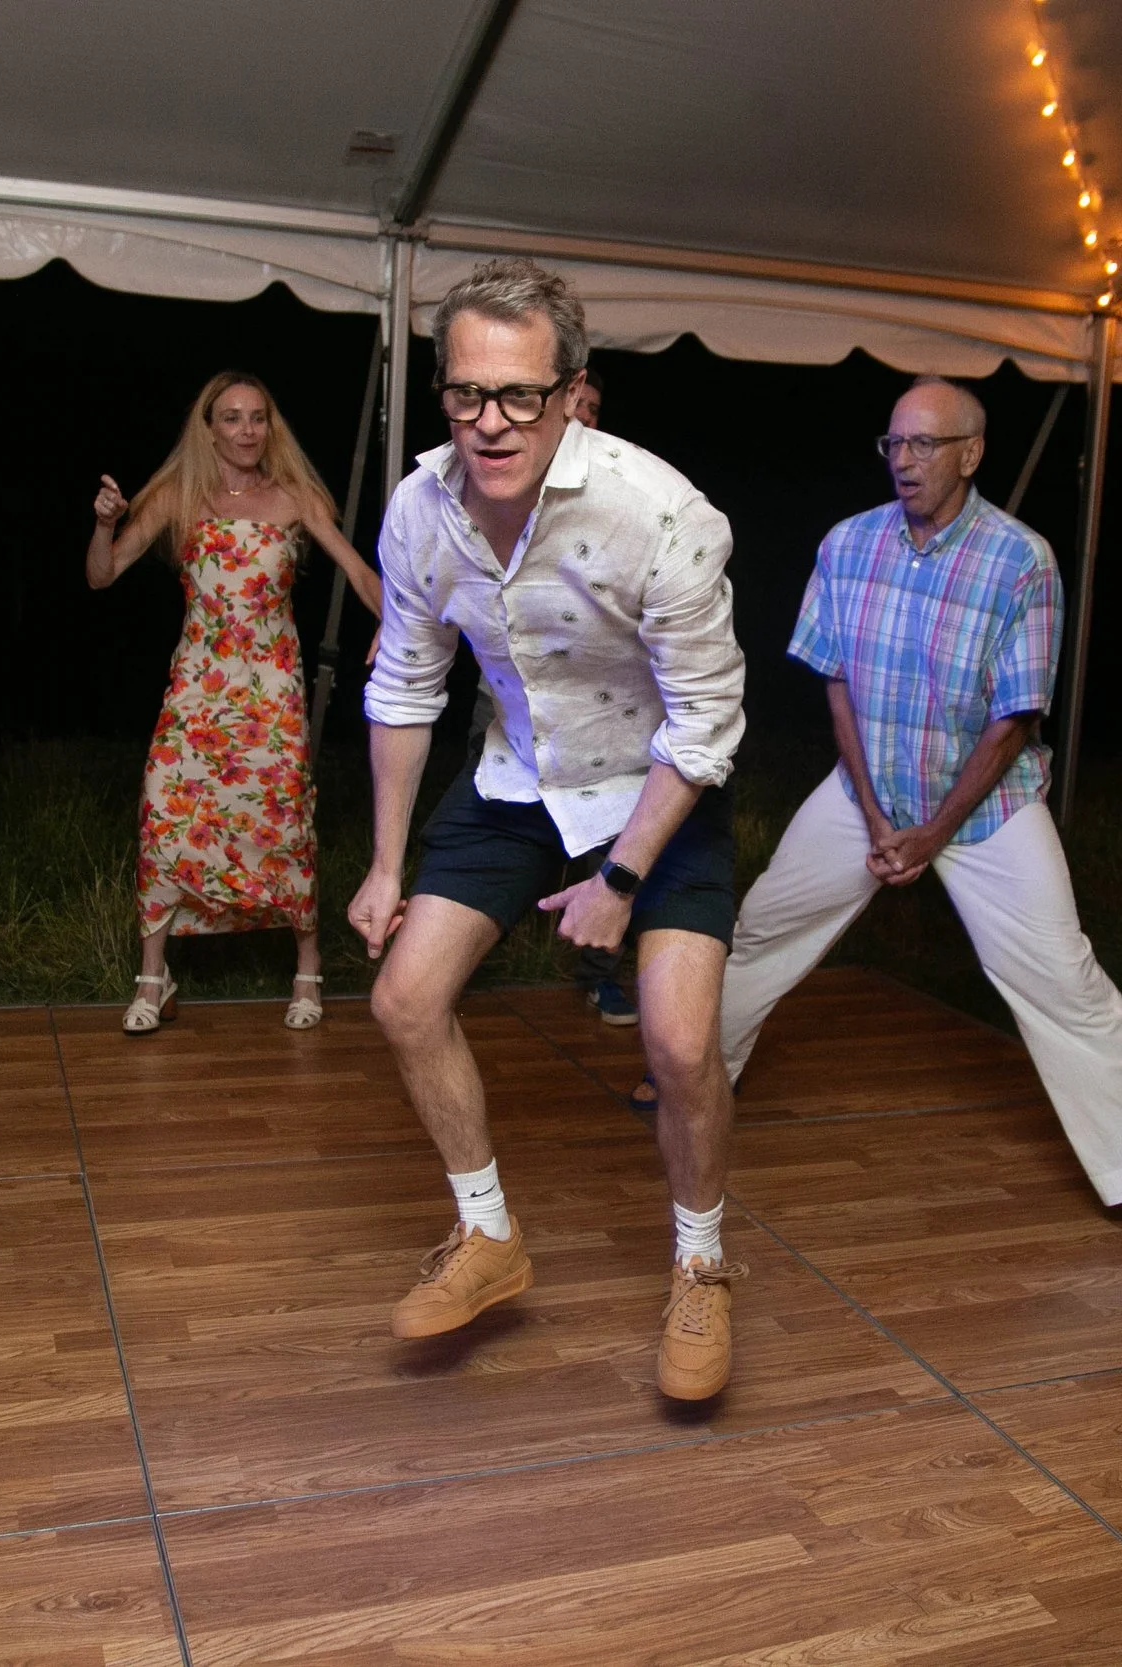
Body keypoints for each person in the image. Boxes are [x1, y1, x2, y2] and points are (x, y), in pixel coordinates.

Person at [350, 258, 749, 1400]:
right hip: (521, 773)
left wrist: (621, 878)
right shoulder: (421, 509)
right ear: (443, 391)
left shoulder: (661, 514)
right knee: (403, 995)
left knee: (675, 1044)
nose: (490, 420)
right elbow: (404, 686)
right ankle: (488, 1236)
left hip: (660, 780)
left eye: (520, 392)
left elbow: (709, 721)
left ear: (574, 390)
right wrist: (385, 862)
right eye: (468, 392)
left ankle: (704, 1263)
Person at [712, 377, 1122, 1260]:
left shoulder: (1023, 560)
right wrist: (868, 810)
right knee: (762, 926)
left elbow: (1015, 720)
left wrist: (934, 831)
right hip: (868, 792)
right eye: (892, 444)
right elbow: (837, 681)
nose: (903, 462)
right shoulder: (849, 542)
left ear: (970, 454)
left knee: (1062, 976)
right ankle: (700, 1072)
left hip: (985, 810)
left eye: (923, 446)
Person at [88, 372, 382, 1031]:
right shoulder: (178, 497)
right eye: (232, 418)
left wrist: (398, 622)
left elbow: (360, 570)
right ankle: (152, 977)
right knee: (166, 810)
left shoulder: (297, 497)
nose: (247, 430)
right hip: (196, 689)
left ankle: (307, 969)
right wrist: (105, 525)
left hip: (270, 695)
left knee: (281, 824)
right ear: (210, 428)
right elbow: (101, 576)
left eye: (258, 418)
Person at [464, 365, 634, 1027]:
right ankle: (462, 949)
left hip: (598, 711)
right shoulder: (500, 487)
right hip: (505, 702)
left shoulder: (623, 499)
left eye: (592, 405)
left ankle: (599, 974)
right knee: (489, 829)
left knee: (609, 843)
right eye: (576, 405)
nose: (584, 416)